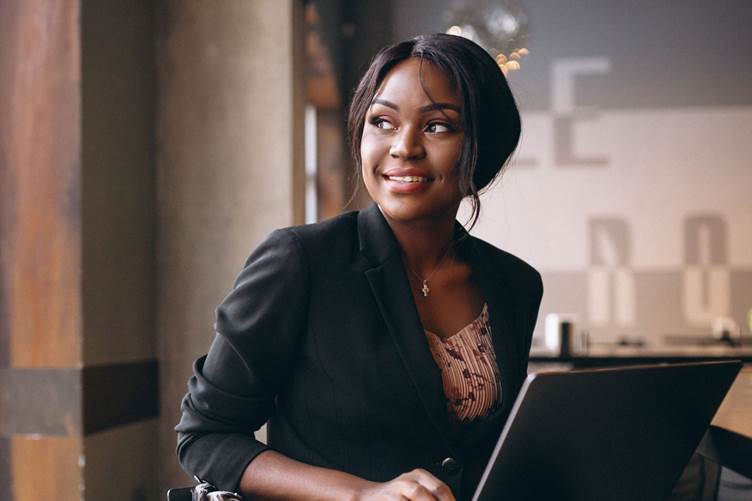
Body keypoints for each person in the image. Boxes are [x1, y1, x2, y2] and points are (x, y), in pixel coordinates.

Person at [176, 33, 543, 501]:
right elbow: (204, 436)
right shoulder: (300, 263)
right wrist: (360, 494)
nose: (403, 147)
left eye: (437, 127)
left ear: (482, 147)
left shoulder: (514, 283)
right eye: (383, 122)